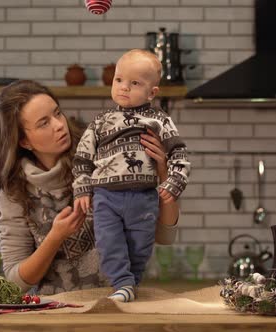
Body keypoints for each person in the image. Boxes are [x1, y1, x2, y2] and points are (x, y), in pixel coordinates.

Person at [0, 80, 180, 296]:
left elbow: (164, 237)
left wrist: (164, 174)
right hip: (52, 316)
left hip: (116, 306)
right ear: (24, 141)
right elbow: (15, 283)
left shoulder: (103, 157)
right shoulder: (13, 192)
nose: (59, 124)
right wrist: (55, 237)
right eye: (44, 123)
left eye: (57, 113)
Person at [72, 49, 190, 302]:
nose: (124, 87)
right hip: (106, 196)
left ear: (152, 92)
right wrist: (82, 188)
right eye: (118, 80)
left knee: (140, 245)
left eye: (134, 83)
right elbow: (82, 158)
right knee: (109, 241)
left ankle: (130, 284)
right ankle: (123, 284)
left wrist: (174, 180)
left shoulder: (160, 120)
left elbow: (178, 152)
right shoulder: (100, 122)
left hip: (144, 197)